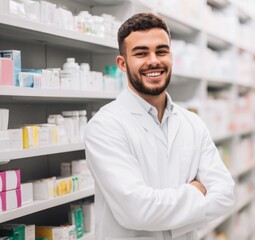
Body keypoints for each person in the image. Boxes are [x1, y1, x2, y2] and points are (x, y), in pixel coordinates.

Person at [84, 13, 235, 240]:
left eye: (161, 51)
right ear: (122, 63)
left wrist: (162, 210)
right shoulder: (105, 126)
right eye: (141, 53)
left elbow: (225, 195)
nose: (153, 60)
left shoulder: (192, 123)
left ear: (171, 57)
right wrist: (195, 192)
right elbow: (136, 210)